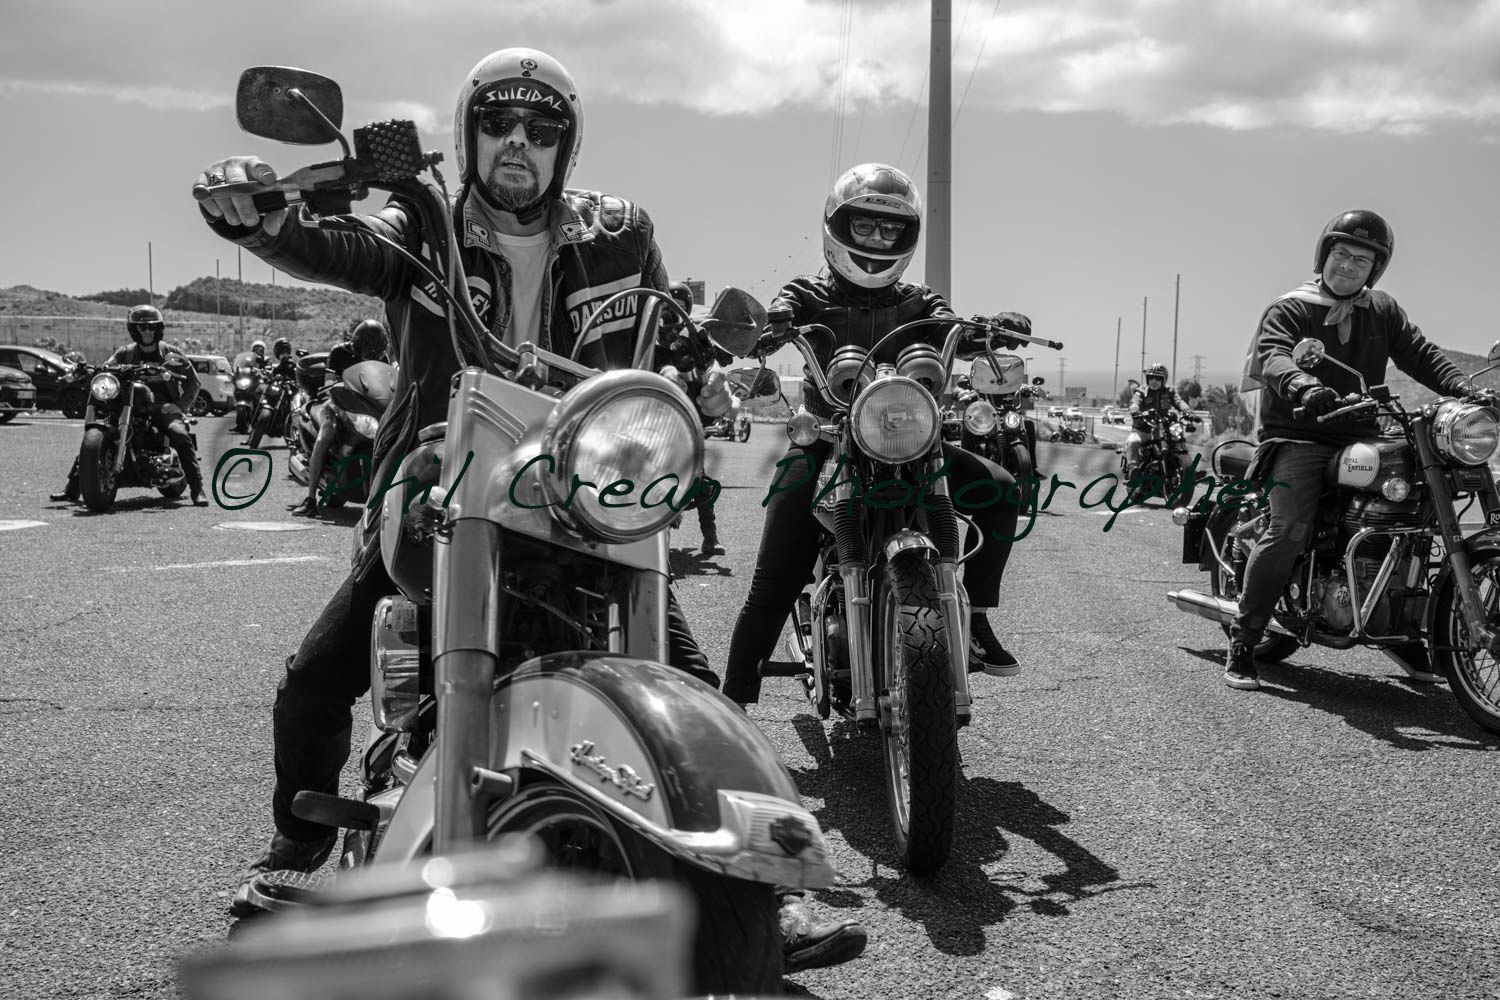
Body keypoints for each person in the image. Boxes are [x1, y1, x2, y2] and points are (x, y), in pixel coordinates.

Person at [195, 47, 862, 971]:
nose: (520, 141)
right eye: (500, 122)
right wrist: (266, 216)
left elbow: (663, 336)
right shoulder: (423, 222)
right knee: (312, 682)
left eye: (542, 127)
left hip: (585, 501)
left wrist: (703, 378)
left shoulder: (620, 235)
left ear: (566, 144)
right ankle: (301, 844)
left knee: (697, 687)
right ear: (470, 134)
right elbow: (338, 246)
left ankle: (753, 890)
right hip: (446, 489)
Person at [723, 161, 1032, 712]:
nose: (876, 239)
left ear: (906, 236)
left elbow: (950, 325)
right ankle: (733, 703)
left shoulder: (920, 301)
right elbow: (779, 315)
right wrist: (767, 326)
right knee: (774, 578)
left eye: (890, 229)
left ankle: (978, 618)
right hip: (827, 440)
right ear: (838, 228)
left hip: (913, 442)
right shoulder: (806, 294)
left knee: (1002, 489)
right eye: (864, 226)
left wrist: (989, 329)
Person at [1227, 209, 1491, 690]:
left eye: (1362, 259)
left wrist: (1465, 390)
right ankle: (1244, 638)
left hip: (1361, 433)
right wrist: (1303, 385)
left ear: (1375, 269)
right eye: (1342, 253)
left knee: (1414, 515)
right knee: (1289, 530)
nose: (1349, 265)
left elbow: (1419, 353)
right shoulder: (1291, 307)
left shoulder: (1382, 310)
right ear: (1324, 254)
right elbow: (1274, 354)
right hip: (1300, 434)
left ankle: (1400, 627)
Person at [49, 305, 208, 506]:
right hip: (128, 404)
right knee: (96, 436)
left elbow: (193, 382)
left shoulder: (170, 352)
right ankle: (72, 489)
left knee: (179, 434)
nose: (147, 331)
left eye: (151, 327)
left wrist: (179, 405)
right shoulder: (126, 352)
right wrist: (91, 370)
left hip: (161, 406)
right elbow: (108, 366)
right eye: (142, 327)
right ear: (134, 330)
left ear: (158, 329)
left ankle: (197, 489)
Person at [289, 320, 390, 517]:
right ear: (358, 344)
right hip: (336, 402)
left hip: (365, 407)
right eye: (368, 349)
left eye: (376, 351)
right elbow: (329, 385)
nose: (371, 354)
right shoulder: (339, 353)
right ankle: (310, 499)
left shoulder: (383, 358)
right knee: (328, 431)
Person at [661, 280, 733, 555]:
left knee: (702, 483)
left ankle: (710, 537)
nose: (672, 313)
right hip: (651, 422)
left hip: (687, 424)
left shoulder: (691, 341)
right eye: (667, 306)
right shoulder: (644, 336)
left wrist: (711, 386)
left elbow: (711, 371)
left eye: (678, 307)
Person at [1123, 362, 1194, 484]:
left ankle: (1188, 471)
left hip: (1163, 429)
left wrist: (1188, 412)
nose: (1154, 381)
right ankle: (1133, 470)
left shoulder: (1169, 391)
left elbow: (1179, 402)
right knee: (1133, 442)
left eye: (1158, 378)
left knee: (1178, 442)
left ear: (1163, 380)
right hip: (1143, 429)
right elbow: (1135, 401)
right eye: (1151, 378)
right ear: (1147, 379)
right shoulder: (1141, 391)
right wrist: (1135, 409)